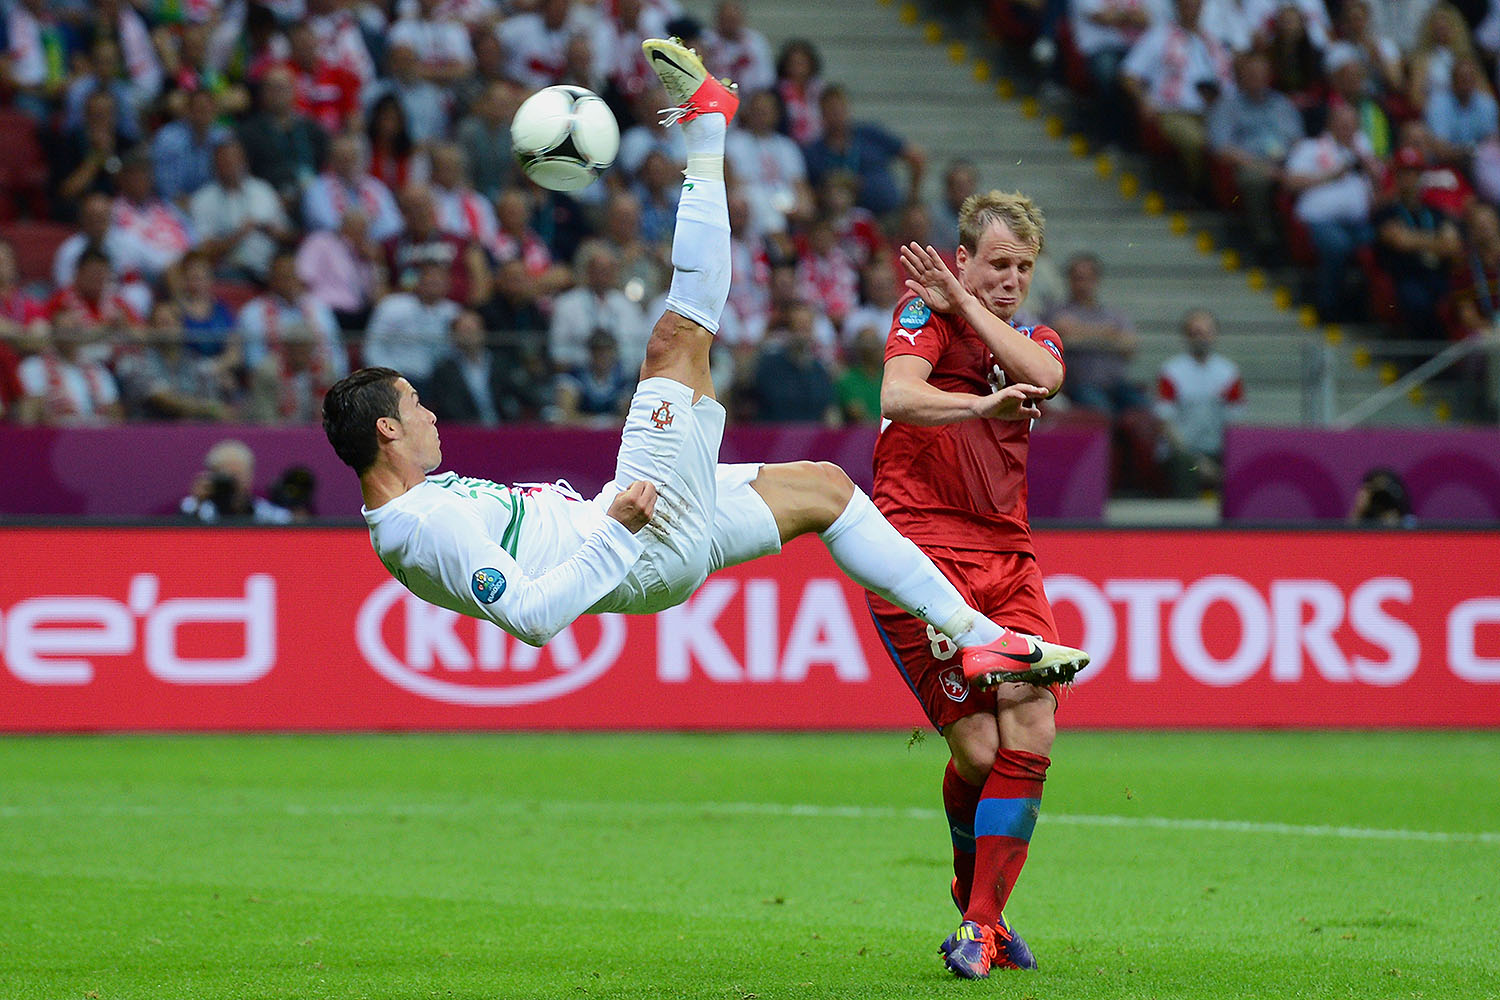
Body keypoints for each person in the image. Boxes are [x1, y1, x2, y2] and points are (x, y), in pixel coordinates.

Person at [321, 38, 1088, 695]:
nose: (428, 414)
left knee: (824, 487)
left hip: (634, 531)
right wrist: (620, 530)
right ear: (388, 429)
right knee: (676, 341)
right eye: (414, 405)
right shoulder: (423, 527)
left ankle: (979, 634)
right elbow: (529, 620)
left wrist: (610, 522)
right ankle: (707, 125)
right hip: (640, 537)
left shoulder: (415, 508)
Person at [866, 190, 1087, 980]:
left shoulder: (1032, 336)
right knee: (981, 748)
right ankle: (977, 903)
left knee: (1034, 722)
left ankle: (979, 925)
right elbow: (897, 396)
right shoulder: (922, 317)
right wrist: (979, 400)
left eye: (1024, 267)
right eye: (997, 263)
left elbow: (1047, 375)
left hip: (1008, 556)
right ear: (963, 258)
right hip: (917, 555)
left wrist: (971, 305)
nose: (1012, 279)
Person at [1154, 307, 1245, 494]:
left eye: (1205, 332)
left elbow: (1236, 422)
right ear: (1185, 336)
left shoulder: (1229, 373)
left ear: (1215, 335)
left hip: (1217, 452)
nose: (1201, 337)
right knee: (1187, 467)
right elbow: (1165, 422)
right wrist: (1197, 462)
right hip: (1183, 455)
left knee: (1242, 462)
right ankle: (1186, 517)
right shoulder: (1171, 372)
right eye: (1195, 332)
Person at [181, 438, 294, 523]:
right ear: (212, 476)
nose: (234, 481)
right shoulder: (193, 507)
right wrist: (198, 503)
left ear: (250, 476)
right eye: (227, 475)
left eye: (239, 474)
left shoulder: (268, 513)